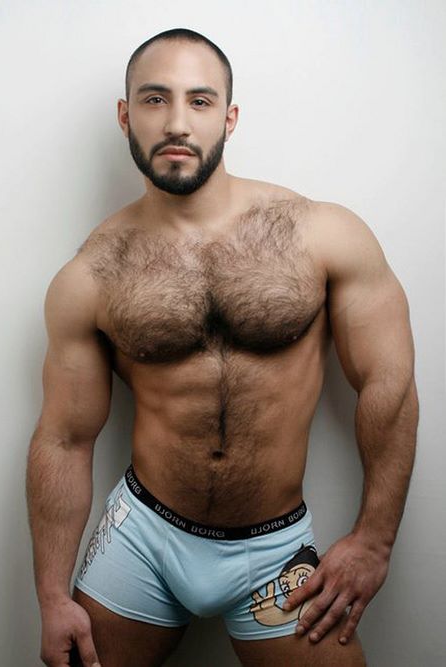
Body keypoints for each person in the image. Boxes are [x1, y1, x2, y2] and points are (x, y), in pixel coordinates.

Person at [25, 27, 419, 667]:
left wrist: (375, 539)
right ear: (126, 115)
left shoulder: (321, 234)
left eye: (200, 101)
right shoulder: (91, 275)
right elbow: (64, 438)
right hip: (141, 539)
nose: (177, 122)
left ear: (229, 118)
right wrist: (50, 595)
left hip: (275, 548)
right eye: (155, 99)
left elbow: (389, 385)